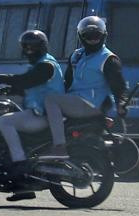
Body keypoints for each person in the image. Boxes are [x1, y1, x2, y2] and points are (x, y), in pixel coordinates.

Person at [0, 30, 65, 201]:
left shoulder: (46, 66)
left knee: (4, 121)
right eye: (25, 46)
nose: (28, 50)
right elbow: (27, 86)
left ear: (41, 47)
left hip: (43, 116)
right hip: (37, 112)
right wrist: (0, 91)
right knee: (8, 114)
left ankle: (20, 166)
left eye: (32, 46)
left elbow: (25, 80)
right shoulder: (40, 65)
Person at [44, 16, 129, 158]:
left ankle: (59, 146)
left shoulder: (108, 59)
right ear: (81, 36)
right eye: (88, 36)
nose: (93, 39)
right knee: (44, 101)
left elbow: (119, 86)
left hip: (92, 104)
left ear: (104, 35)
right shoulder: (76, 56)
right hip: (74, 102)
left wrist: (121, 103)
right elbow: (67, 82)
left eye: (97, 35)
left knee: (50, 100)